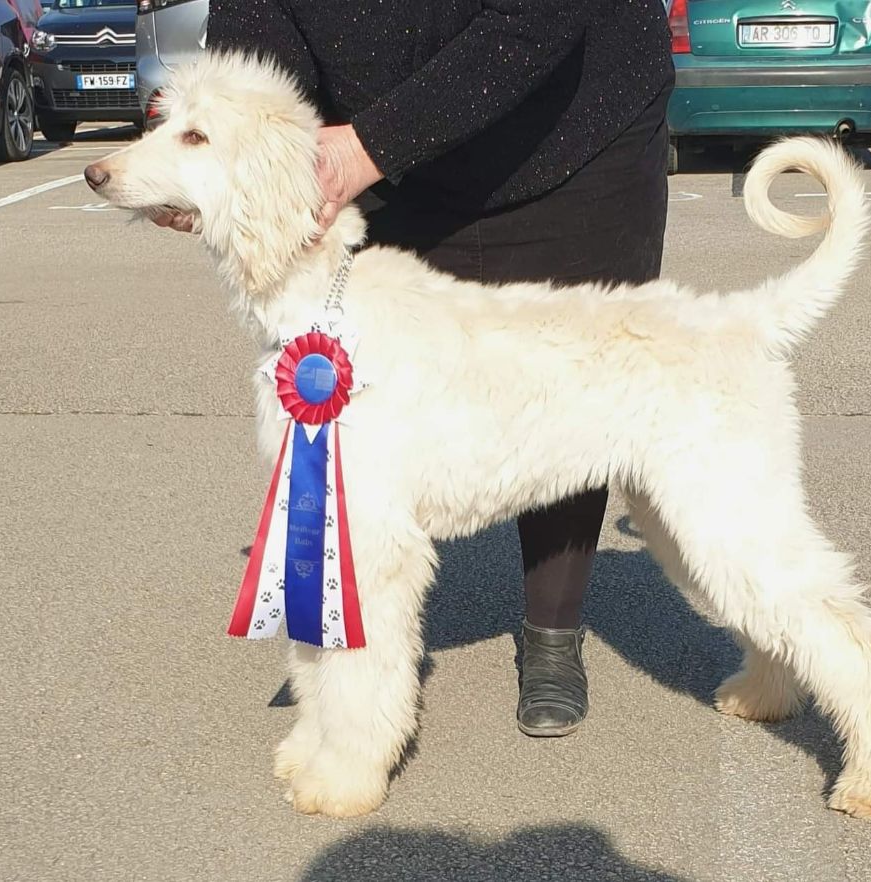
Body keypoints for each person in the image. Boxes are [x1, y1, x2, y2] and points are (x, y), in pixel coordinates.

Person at [158, 0, 674, 738]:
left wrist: (367, 146)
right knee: (363, 429)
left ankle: (553, 634)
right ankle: (358, 673)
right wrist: (235, 168)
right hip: (397, 155)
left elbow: (538, 20)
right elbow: (255, 59)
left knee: (569, 402)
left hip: (574, 126)